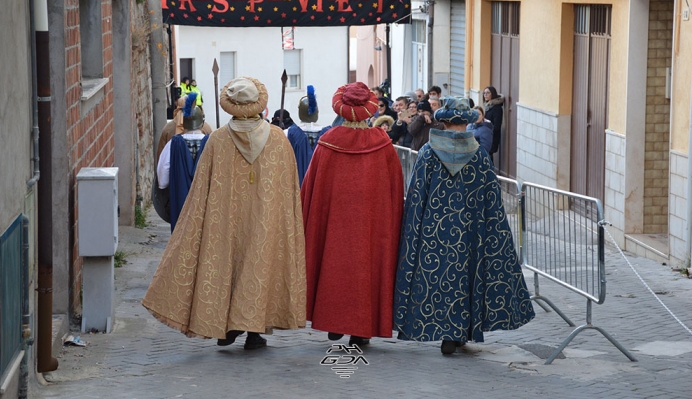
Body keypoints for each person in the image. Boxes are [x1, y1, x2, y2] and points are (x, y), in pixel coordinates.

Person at [143, 76, 307, 350]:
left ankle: (228, 326)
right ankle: (252, 331)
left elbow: (200, 189)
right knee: (258, 265)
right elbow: (290, 188)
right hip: (265, 220)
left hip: (225, 220)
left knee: (226, 266)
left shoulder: (217, 140)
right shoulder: (279, 140)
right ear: (259, 105)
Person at [394, 96, 535, 355]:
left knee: (439, 277)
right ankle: (458, 332)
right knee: (466, 276)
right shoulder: (480, 156)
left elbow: (416, 195)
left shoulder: (427, 152)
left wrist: (413, 228)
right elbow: (492, 200)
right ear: (466, 122)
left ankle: (446, 331)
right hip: (471, 230)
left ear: (444, 121)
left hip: (433, 231)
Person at [302, 81, 404, 347]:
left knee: (334, 266)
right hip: (372, 225)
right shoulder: (383, 145)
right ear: (369, 109)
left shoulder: (327, 143)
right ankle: (361, 330)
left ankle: (334, 321)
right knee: (367, 268)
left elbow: (310, 190)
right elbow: (395, 188)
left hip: (335, 224)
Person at [153, 95, 214, 224]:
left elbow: (162, 177)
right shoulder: (211, 143)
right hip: (205, 201)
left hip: (180, 200)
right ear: (201, 122)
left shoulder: (172, 144)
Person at [483, 86, 504, 163]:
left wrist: (488, 133)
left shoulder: (496, 108)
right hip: (486, 136)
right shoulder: (488, 106)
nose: (485, 95)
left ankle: (490, 173)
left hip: (492, 136)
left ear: (493, 94)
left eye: (488, 93)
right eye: (484, 93)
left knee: (488, 157)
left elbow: (497, 125)